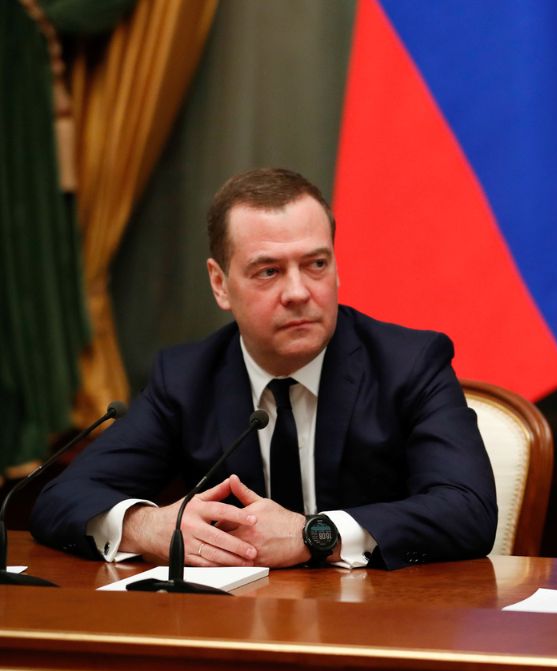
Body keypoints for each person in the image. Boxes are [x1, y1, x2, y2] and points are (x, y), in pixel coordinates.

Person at [32, 168, 498, 570]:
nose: (298, 292)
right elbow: (62, 498)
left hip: (379, 626)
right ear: (220, 284)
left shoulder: (409, 364)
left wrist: (314, 535)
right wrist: (143, 525)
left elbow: (467, 511)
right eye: (268, 271)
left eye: (315, 264)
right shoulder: (187, 377)